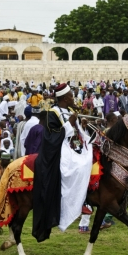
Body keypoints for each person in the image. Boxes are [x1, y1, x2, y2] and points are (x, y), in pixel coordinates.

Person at [32, 83, 92, 242]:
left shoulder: (71, 111)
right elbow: (51, 137)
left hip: (75, 147)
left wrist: (81, 126)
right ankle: (74, 203)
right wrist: (69, 123)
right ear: (65, 98)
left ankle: (84, 199)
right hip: (60, 150)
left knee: (91, 160)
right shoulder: (52, 113)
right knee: (77, 168)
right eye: (72, 96)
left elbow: (76, 132)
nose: (74, 99)